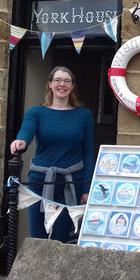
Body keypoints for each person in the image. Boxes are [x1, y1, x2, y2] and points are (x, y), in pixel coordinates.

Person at [10, 66, 94, 243]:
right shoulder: (36, 112)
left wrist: (87, 188)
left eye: (66, 81)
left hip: (71, 183)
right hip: (39, 182)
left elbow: (88, 153)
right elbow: (26, 131)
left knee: (61, 239)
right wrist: (21, 141)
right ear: (50, 84)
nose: (62, 84)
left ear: (72, 86)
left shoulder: (83, 115)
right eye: (57, 80)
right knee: (37, 238)